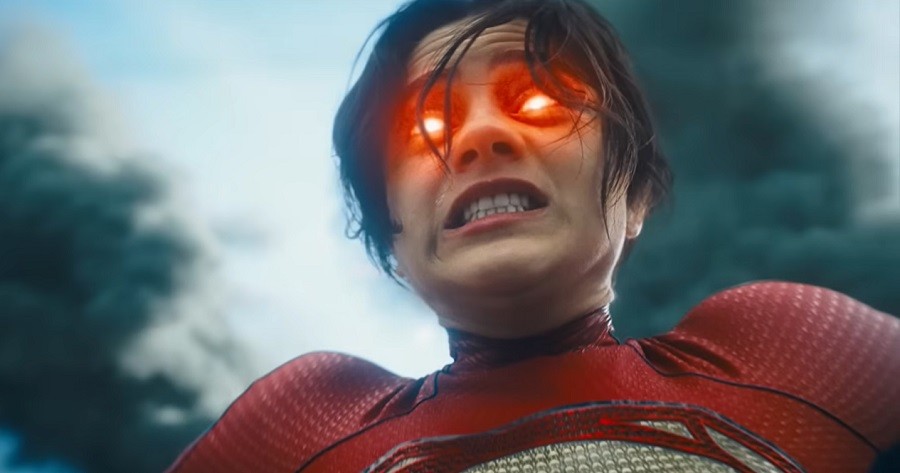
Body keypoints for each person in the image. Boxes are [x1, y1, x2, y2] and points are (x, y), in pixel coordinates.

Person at [166, 0, 900, 471]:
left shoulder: (787, 349)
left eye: (540, 100)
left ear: (635, 196)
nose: (481, 135)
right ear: (392, 238)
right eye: (428, 124)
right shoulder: (303, 425)